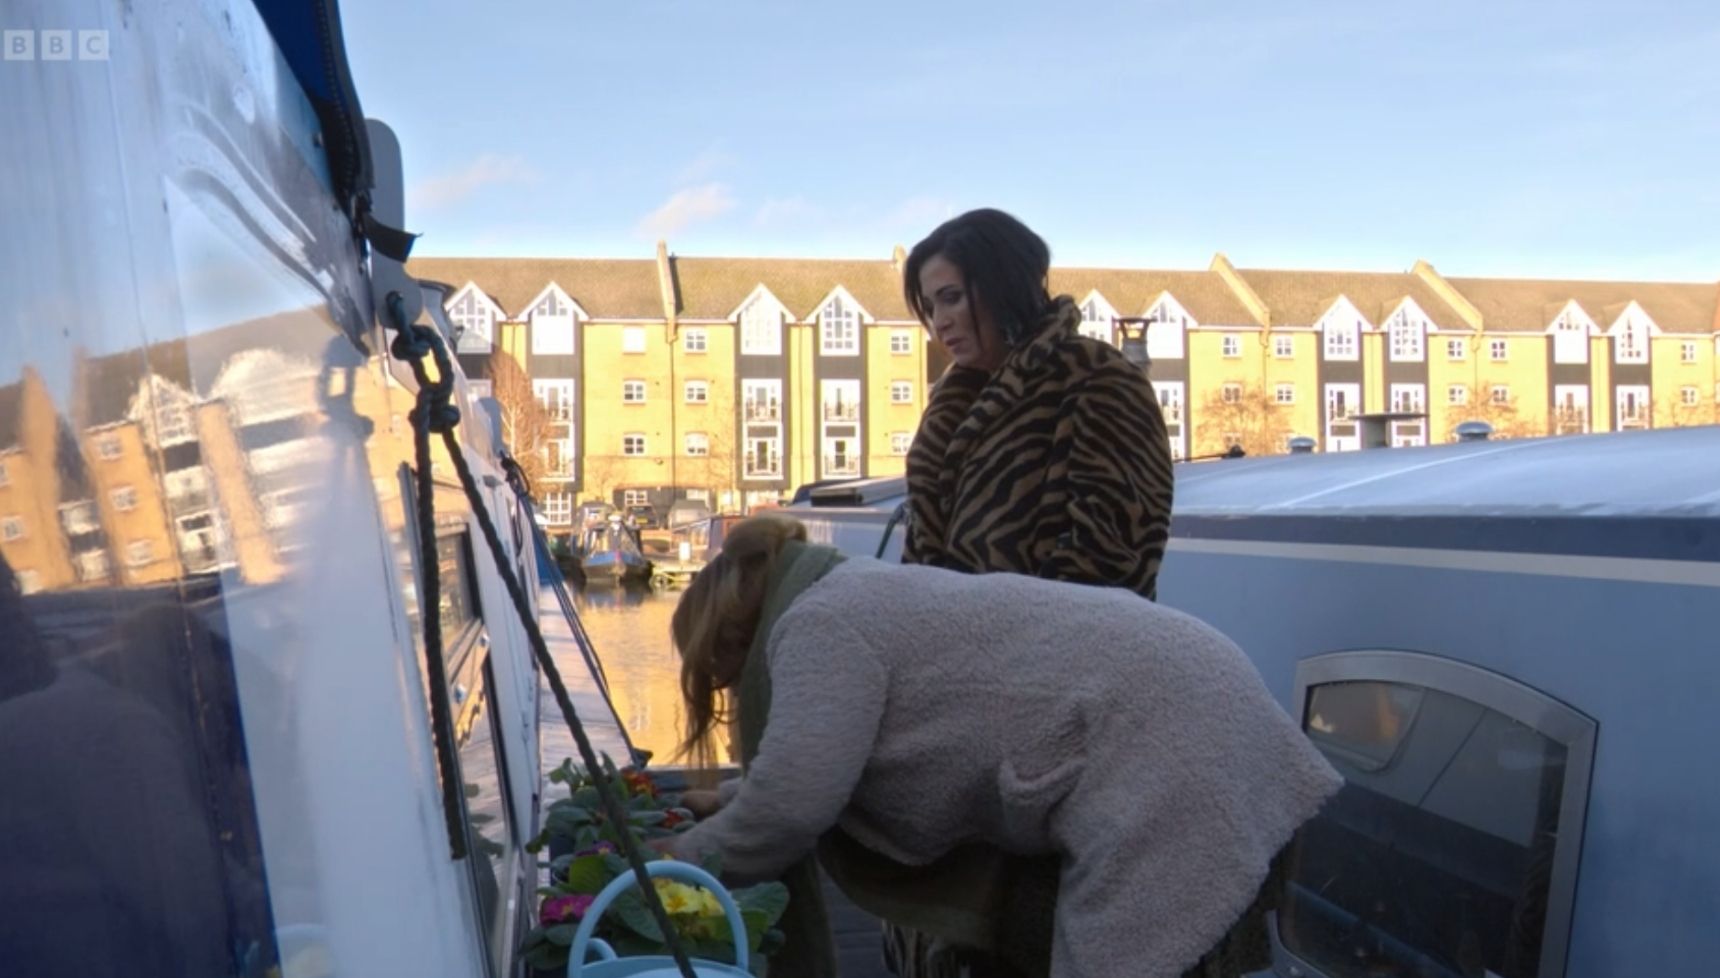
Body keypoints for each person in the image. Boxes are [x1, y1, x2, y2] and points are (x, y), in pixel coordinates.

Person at [664, 517, 1341, 978]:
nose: (731, 693)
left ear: (731, 635)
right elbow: (808, 761)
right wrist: (725, 800)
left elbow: (790, 806)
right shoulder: (845, 595)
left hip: (1167, 746)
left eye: (724, 678)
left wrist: (667, 870)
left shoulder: (819, 624)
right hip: (1191, 707)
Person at [901, 207, 1173, 600]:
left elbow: (1111, 559)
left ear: (1003, 285)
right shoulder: (952, 404)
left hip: (1063, 652)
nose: (939, 321)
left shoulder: (1099, 379)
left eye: (952, 298)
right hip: (951, 651)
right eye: (930, 307)